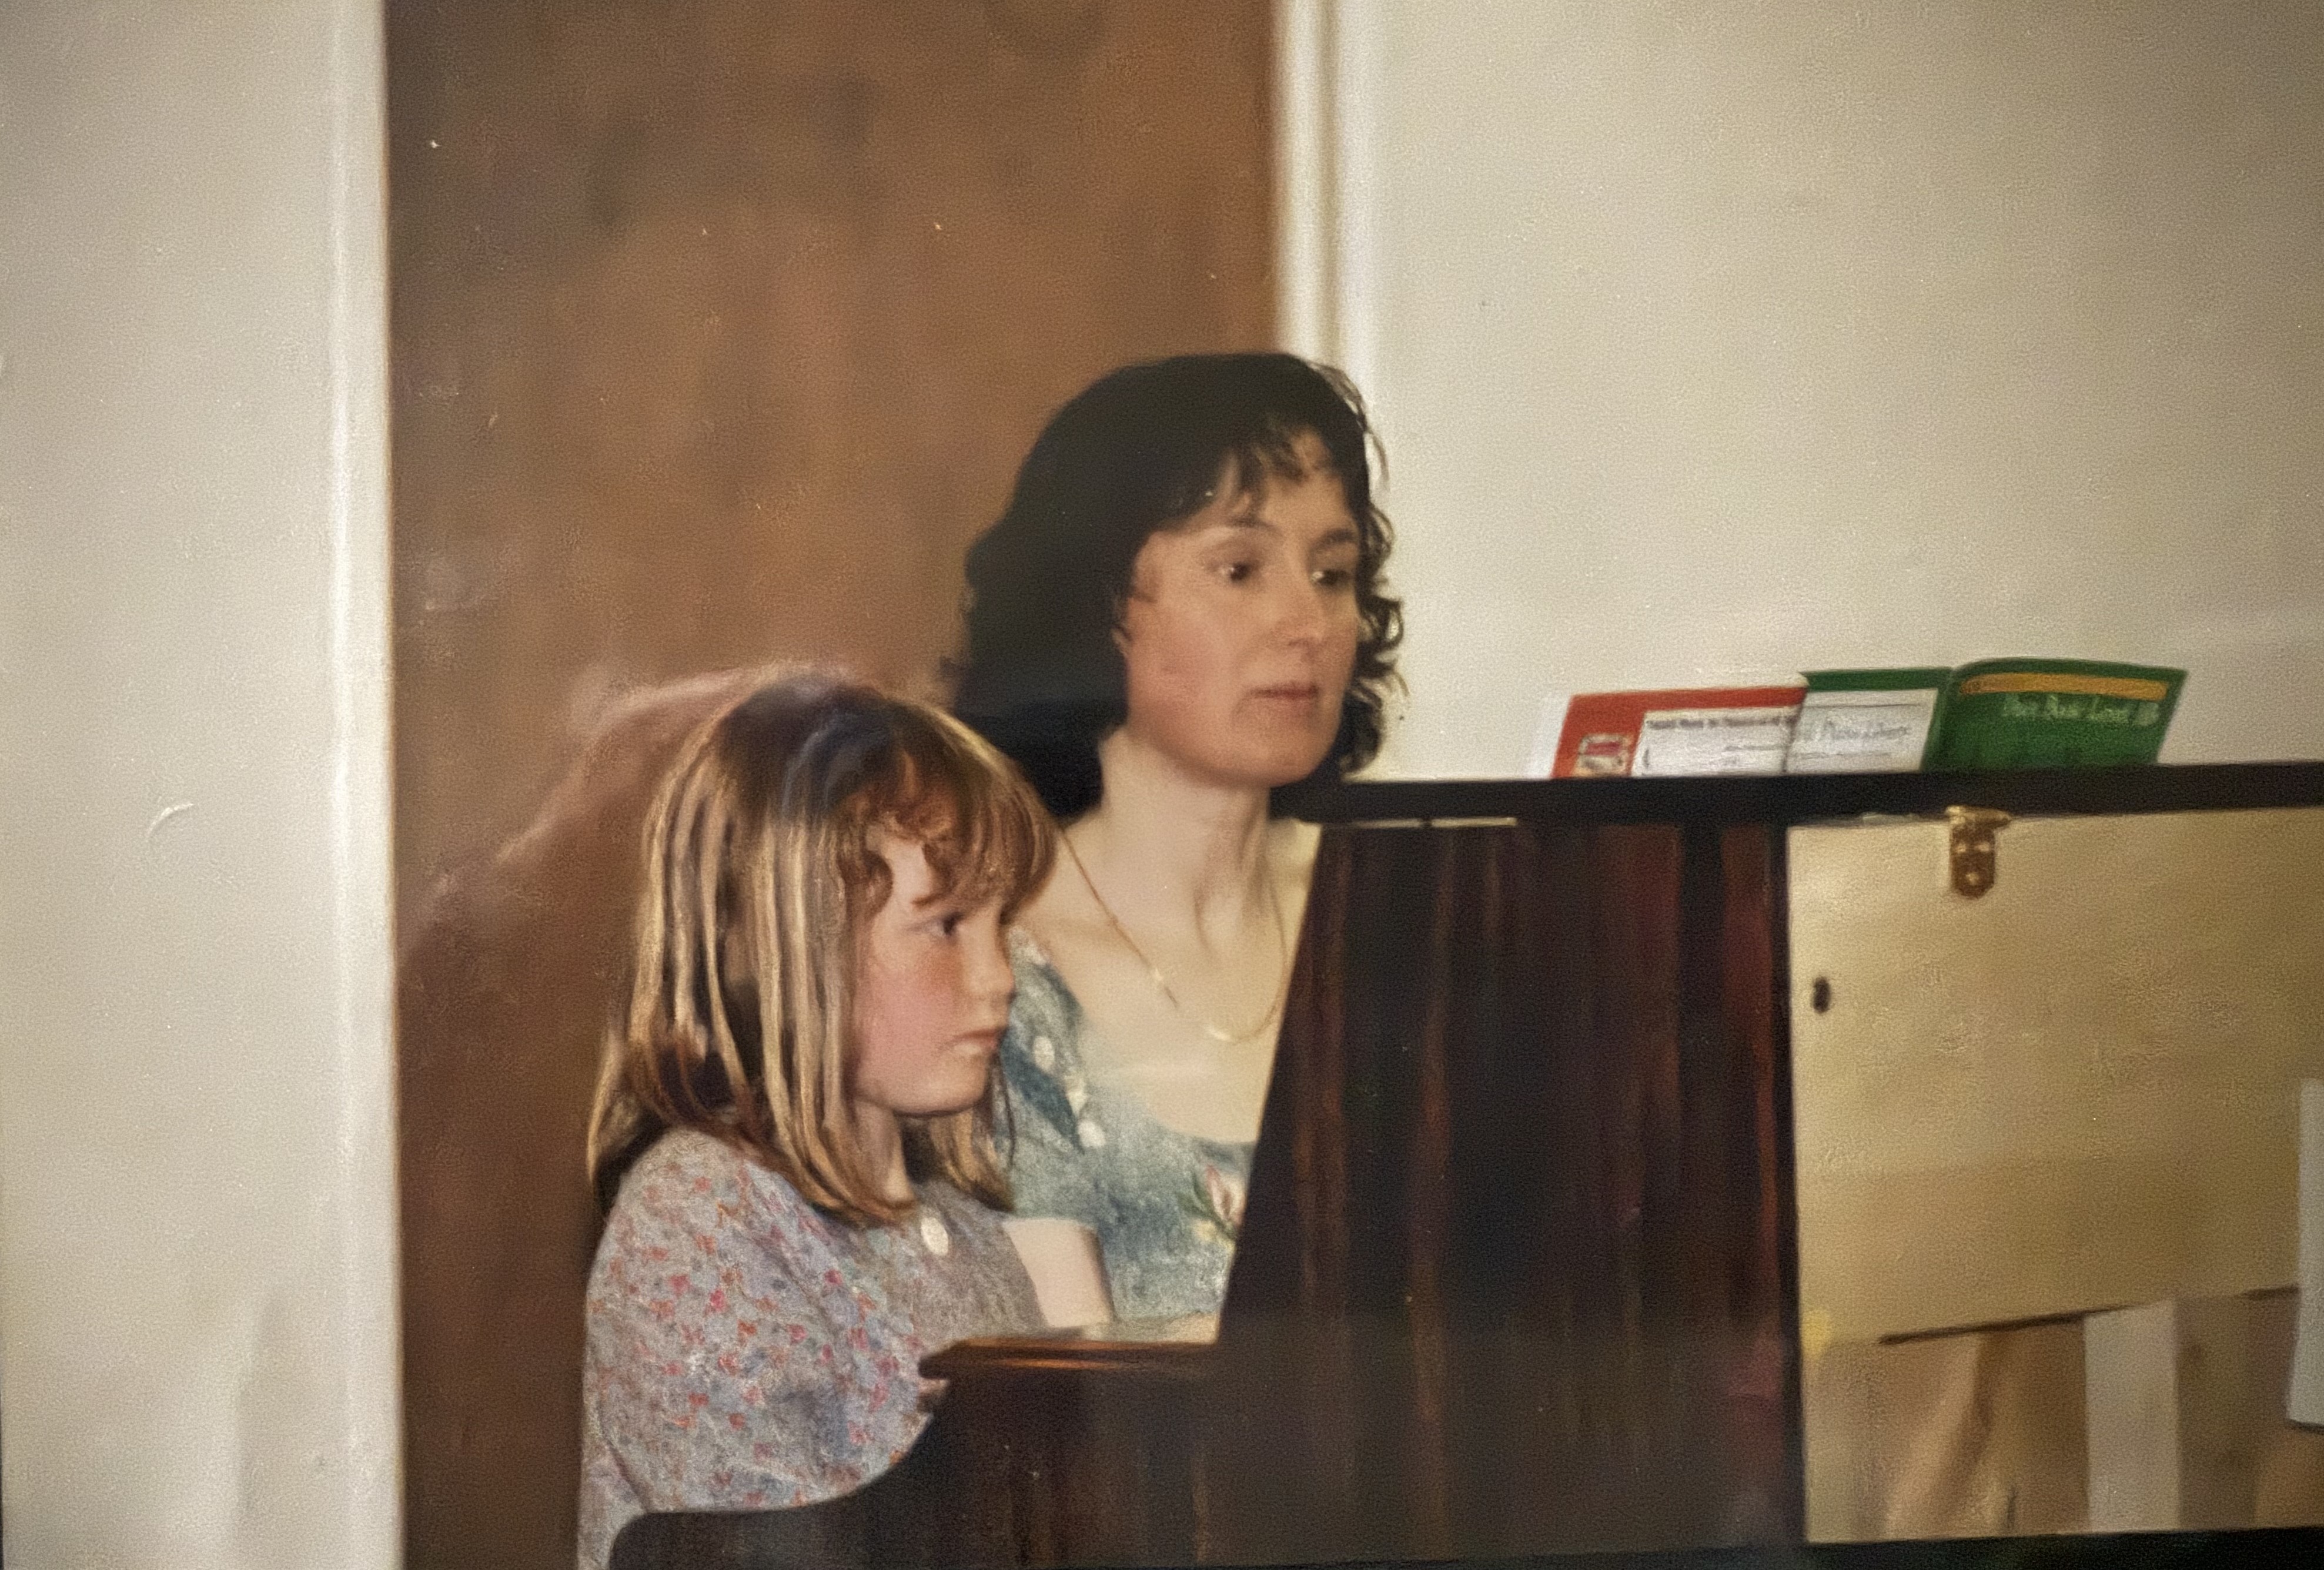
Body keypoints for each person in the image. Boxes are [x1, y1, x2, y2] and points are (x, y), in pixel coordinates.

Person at [952, 352, 1403, 1330]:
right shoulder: (990, 962)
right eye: (1238, 570)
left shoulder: (1402, 918)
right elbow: (1062, 1393)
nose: (1307, 623)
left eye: (1332, 574)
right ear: (1092, 606)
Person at [577, 672, 1054, 1568]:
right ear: (787, 943)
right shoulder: (699, 1218)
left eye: (1002, 927)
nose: (1000, 978)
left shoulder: (967, 1233)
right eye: (947, 925)